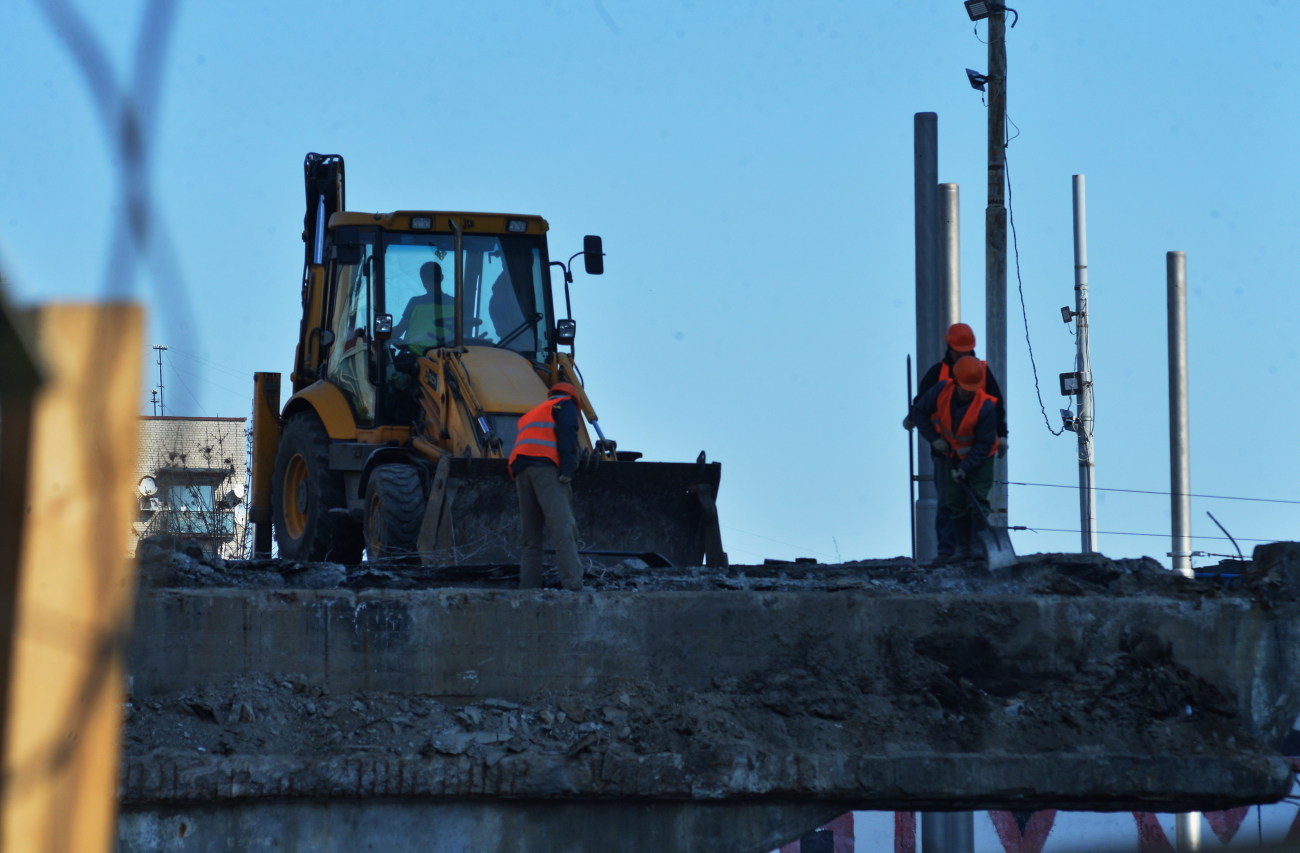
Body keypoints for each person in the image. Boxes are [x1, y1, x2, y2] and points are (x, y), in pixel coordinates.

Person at [903, 322, 1008, 558]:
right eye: (958, 350)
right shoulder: (940, 379)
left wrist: (1002, 436)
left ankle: (977, 551)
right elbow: (922, 404)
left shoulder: (980, 374)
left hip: (978, 453)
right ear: (949, 347)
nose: (962, 353)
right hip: (946, 451)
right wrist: (920, 426)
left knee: (977, 502)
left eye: (966, 349)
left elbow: (997, 406)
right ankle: (949, 552)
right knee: (949, 503)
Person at [508, 382, 584, 590]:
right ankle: (573, 585)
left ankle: (529, 588)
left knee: (531, 537)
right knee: (563, 529)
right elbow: (567, 431)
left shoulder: (533, 413)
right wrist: (568, 469)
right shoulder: (565, 405)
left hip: (521, 471)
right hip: (546, 469)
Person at [392, 261, 454, 349]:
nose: (429, 282)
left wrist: (384, 332)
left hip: (416, 356)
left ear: (422, 281)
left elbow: (399, 330)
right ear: (441, 278)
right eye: (427, 278)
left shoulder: (416, 302)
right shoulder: (455, 303)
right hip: (450, 357)